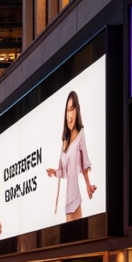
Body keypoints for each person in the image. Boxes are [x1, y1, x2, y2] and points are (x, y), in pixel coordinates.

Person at [45, 91, 96, 221]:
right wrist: (53, 172)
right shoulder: (65, 141)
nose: (69, 115)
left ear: (77, 110)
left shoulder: (81, 135)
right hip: (68, 200)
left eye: (72, 109)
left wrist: (88, 186)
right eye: (67, 110)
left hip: (76, 197)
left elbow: (84, 163)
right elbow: (62, 171)